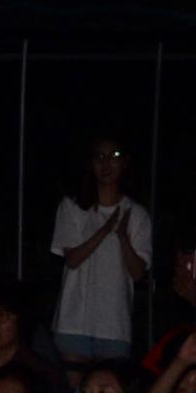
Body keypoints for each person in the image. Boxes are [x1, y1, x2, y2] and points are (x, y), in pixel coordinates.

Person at [49, 137, 152, 363]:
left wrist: (123, 238)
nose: (106, 163)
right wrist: (105, 230)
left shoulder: (137, 214)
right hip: (73, 321)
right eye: (100, 157)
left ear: (125, 162)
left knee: (108, 390)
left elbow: (138, 273)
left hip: (114, 325)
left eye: (114, 157)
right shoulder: (72, 207)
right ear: (91, 163)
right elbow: (73, 259)